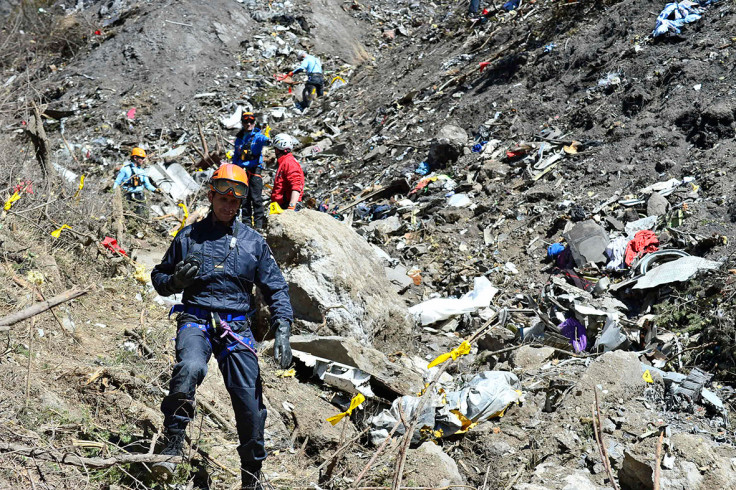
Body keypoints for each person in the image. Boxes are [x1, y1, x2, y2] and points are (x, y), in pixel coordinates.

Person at [150, 163, 293, 490]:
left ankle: (252, 475)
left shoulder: (253, 243)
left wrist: (283, 327)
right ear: (211, 195)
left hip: (235, 325)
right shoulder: (188, 236)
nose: (228, 205)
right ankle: (172, 443)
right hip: (196, 318)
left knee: (249, 400)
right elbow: (159, 278)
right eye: (222, 198)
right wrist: (175, 281)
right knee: (189, 367)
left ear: (241, 202)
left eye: (235, 201)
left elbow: (276, 288)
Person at [233, 111, 271, 230]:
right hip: (241, 171)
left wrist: (268, 139)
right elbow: (235, 155)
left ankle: (259, 225)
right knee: (244, 199)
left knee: (256, 198)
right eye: (246, 121)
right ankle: (247, 225)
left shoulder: (258, 136)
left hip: (254, 170)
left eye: (251, 121)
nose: (248, 124)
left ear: (254, 123)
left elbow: (265, 140)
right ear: (242, 123)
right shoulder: (239, 139)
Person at [270, 134, 304, 211]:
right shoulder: (284, 161)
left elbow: (296, 184)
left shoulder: (288, 162)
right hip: (281, 205)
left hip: (287, 205)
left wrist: (291, 207)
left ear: (277, 149)